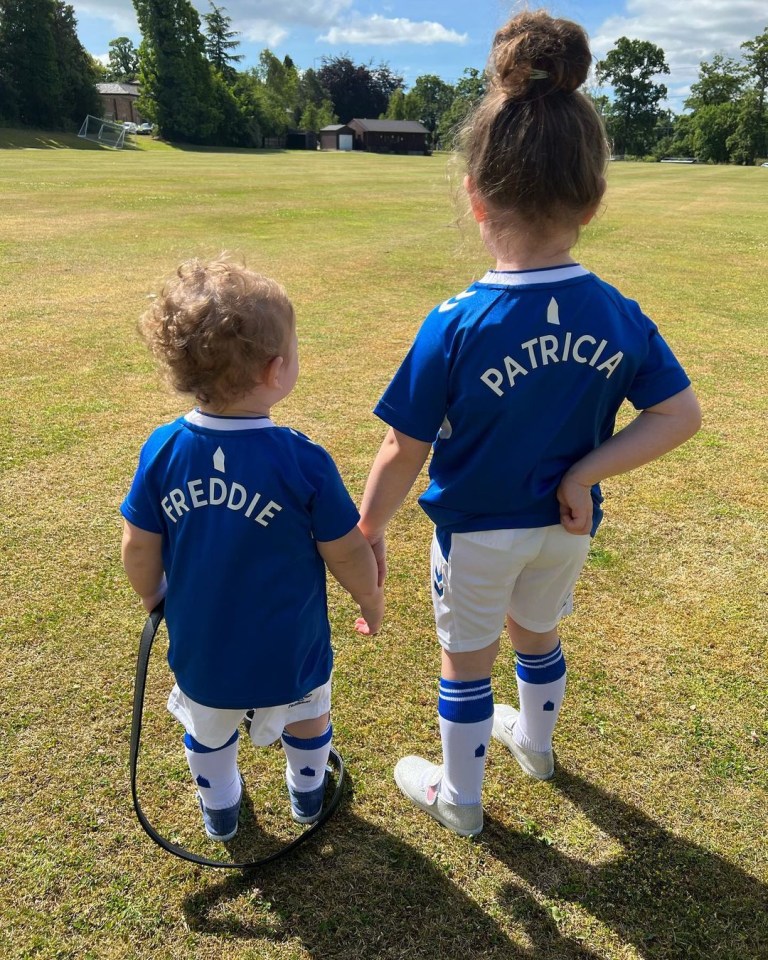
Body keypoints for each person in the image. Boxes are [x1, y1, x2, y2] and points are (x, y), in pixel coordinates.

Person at [358, 10, 701, 837]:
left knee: (466, 664)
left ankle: (463, 802)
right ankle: (537, 749)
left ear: (475, 194)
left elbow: (405, 444)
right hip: (564, 527)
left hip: (476, 533)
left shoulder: (457, 321)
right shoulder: (616, 312)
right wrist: (584, 473)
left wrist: (369, 522)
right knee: (537, 633)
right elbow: (679, 415)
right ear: (593, 195)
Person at [121, 258, 383, 841]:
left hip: (203, 649)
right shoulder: (302, 459)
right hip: (292, 648)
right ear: (276, 369)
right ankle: (308, 794)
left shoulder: (163, 450)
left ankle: (221, 812)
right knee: (309, 717)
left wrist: (152, 594)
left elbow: (138, 543)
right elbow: (345, 550)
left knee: (207, 729)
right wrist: (371, 598)